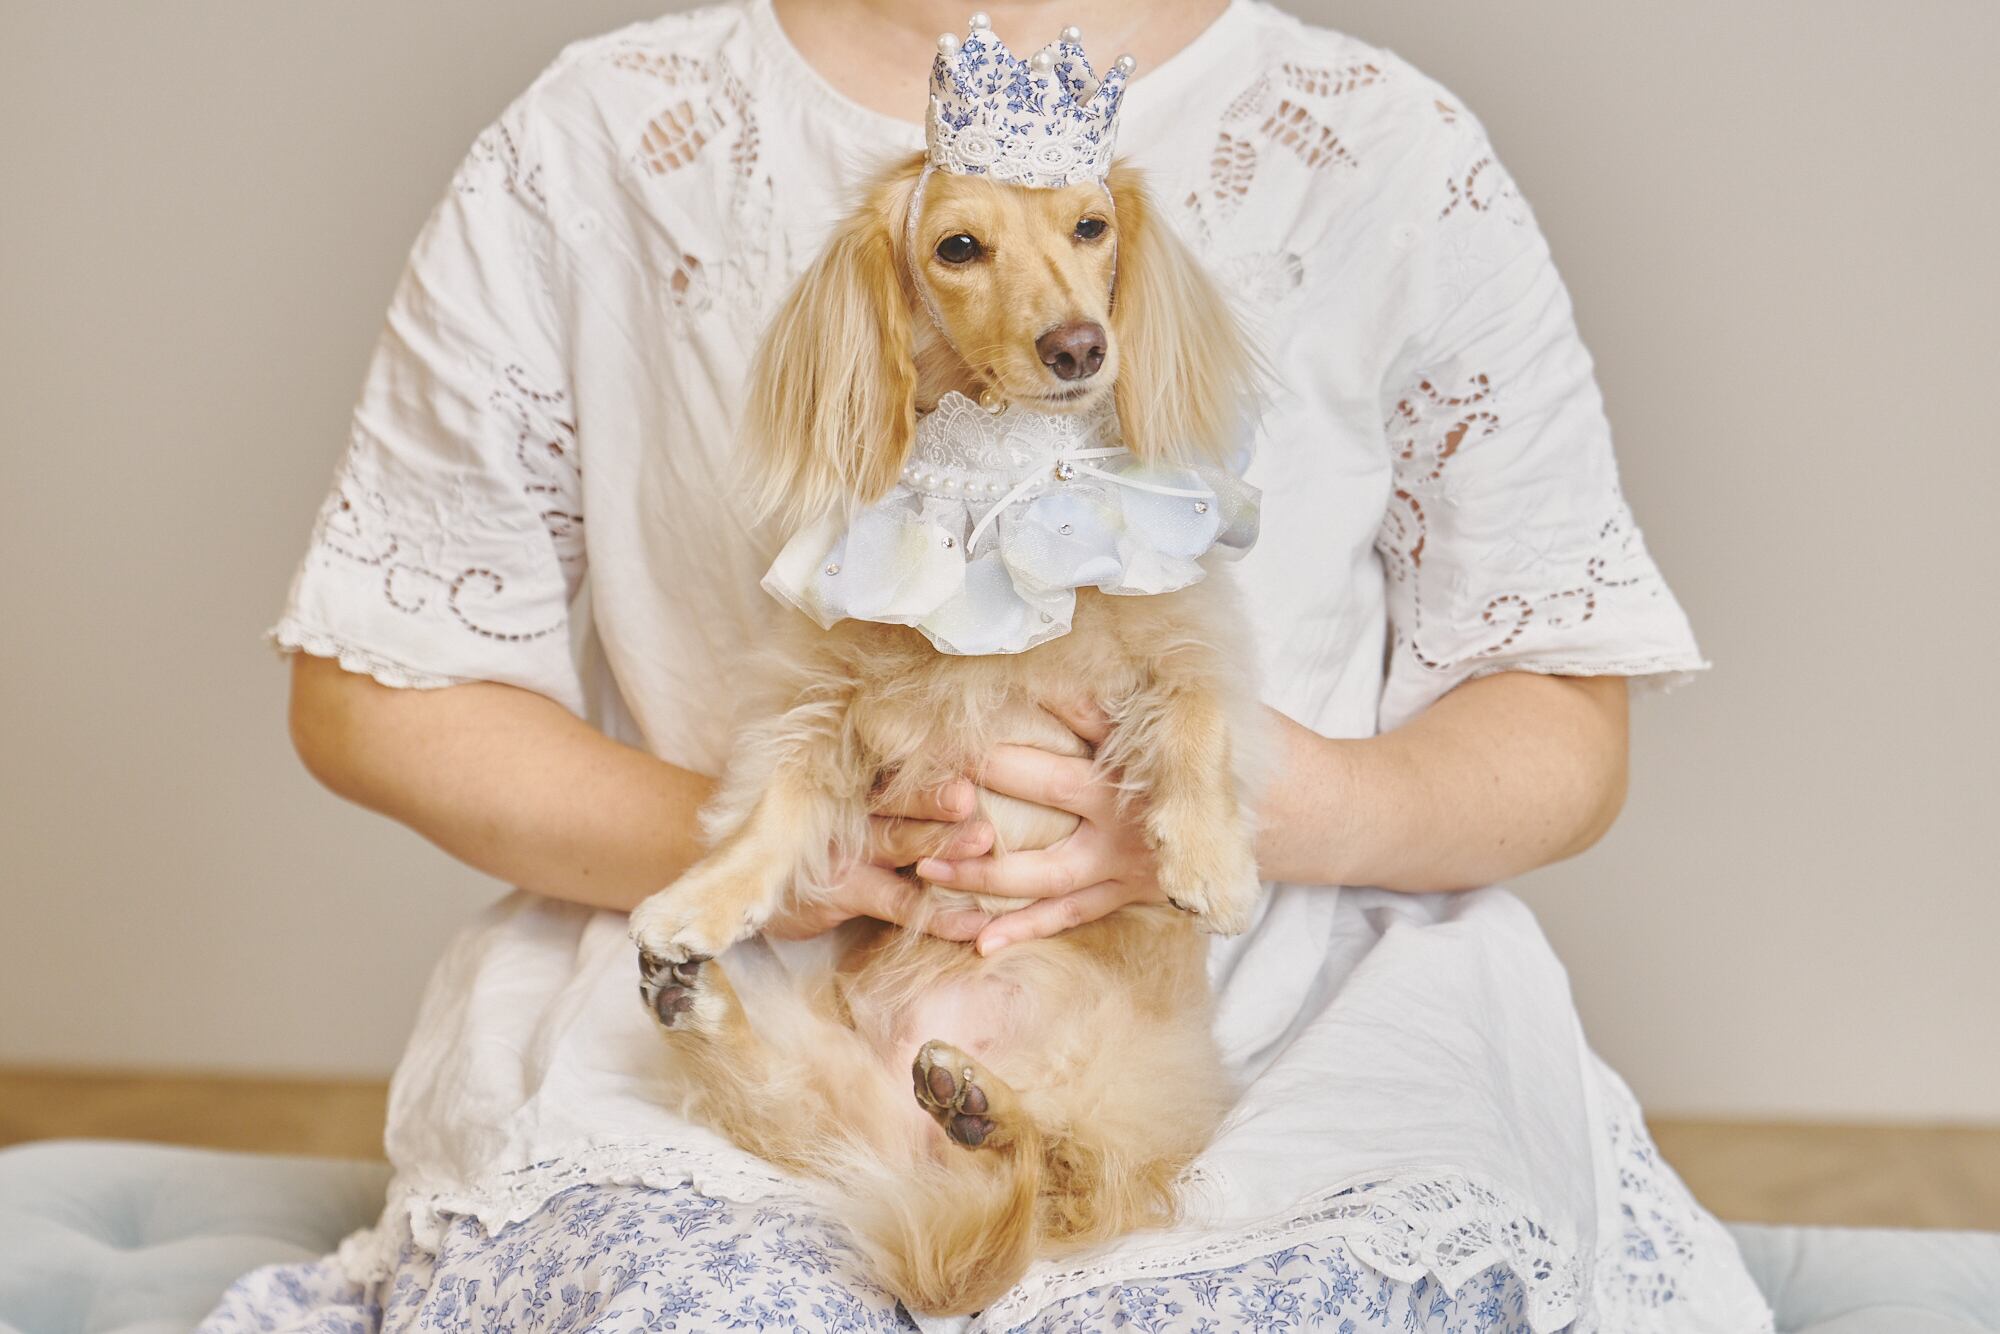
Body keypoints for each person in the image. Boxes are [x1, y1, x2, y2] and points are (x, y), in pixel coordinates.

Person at [203, 1, 1775, 1329]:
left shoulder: (1390, 144)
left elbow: (1566, 726)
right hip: (767, 986)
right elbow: (373, 693)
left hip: (1290, 1008)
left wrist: (1266, 806)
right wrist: (784, 860)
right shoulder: (597, 138)